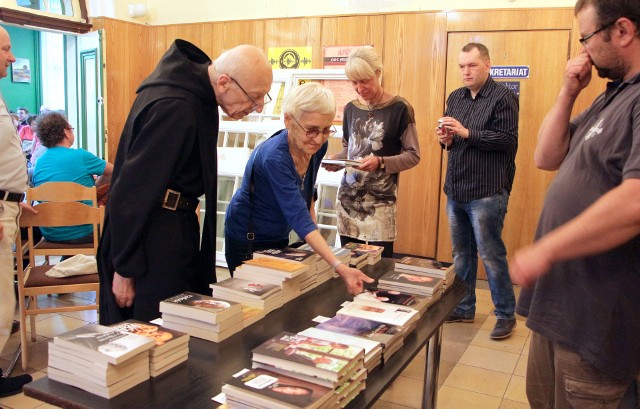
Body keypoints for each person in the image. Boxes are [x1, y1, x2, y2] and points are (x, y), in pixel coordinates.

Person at [510, 1, 640, 407]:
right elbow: (546, 157)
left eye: (586, 38)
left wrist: (547, 248)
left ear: (622, 31)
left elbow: (636, 201)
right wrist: (568, 91)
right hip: (559, 307)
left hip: (597, 319)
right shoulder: (610, 97)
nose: (582, 52)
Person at [98, 40, 273, 324]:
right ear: (225, 82)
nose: (257, 107)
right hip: (151, 241)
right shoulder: (176, 106)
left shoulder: (195, 95)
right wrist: (124, 268)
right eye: (254, 97)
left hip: (172, 227)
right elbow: (132, 191)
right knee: (153, 331)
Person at [224, 82, 373, 295]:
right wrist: (339, 266)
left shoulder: (316, 145)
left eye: (325, 130)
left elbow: (308, 185)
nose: (319, 139)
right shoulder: (275, 158)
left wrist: (311, 210)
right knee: (253, 301)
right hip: (247, 239)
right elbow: (297, 216)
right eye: (312, 130)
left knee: (281, 297)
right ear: (288, 120)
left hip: (277, 234)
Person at [437, 42, 519, 340]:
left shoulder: (503, 97)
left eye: (472, 65)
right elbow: (451, 139)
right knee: (461, 253)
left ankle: (505, 315)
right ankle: (464, 306)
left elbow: (506, 141)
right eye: (461, 66)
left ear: (487, 65)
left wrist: (465, 133)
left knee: (490, 253)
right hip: (456, 187)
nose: (466, 71)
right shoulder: (456, 97)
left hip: (487, 191)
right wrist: (446, 139)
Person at [324, 46, 420, 258]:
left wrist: (381, 161)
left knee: (380, 266)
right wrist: (336, 161)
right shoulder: (351, 108)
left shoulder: (400, 108)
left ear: (378, 73)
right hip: (349, 200)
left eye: (364, 80)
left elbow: (413, 155)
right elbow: (350, 151)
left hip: (381, 202)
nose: (359, 88)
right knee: (350, 263)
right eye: (354, 82)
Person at [0, 25, 33, 397]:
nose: (12, 57)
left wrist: (11, 197)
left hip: (7, 204)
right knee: (0, 299)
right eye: (7, 49)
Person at [32, 112, 113, 244]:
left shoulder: (39, 163)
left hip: (51, 232)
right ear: (66, 132)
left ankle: (67, 261)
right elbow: (114, 172)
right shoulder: (81, 156)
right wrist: (93, 189)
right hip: (86, 230)